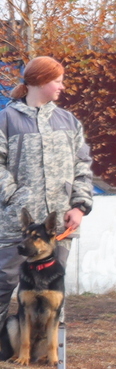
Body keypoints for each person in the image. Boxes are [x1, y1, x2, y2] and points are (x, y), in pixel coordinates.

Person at [1, 56, 93, 332]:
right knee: (4, 281)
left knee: (54, 287)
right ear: (40, 81)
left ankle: (50, 350)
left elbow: (82, 166)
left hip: (58, 226)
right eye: (58, 81)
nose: (62, 87)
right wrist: (17, 199)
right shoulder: (6, 120)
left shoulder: (68, 121)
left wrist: (79, 206)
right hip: (15, 224)